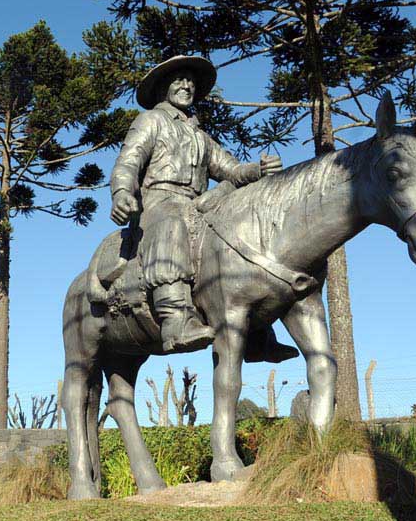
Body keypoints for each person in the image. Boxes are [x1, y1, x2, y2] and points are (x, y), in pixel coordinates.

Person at [110, 55, 285, 354]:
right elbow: (128, 163)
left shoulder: (201, 136)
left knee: (236, 228)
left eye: (190, 81)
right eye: (179, 80)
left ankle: (256, 328)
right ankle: (175, 317)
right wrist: (122, 193)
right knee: (172, 221)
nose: (187, 85)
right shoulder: (151, 121)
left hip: (199, 203)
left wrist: (258, 169)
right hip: (160, 202)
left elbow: (229, 169)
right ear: (164, 86)